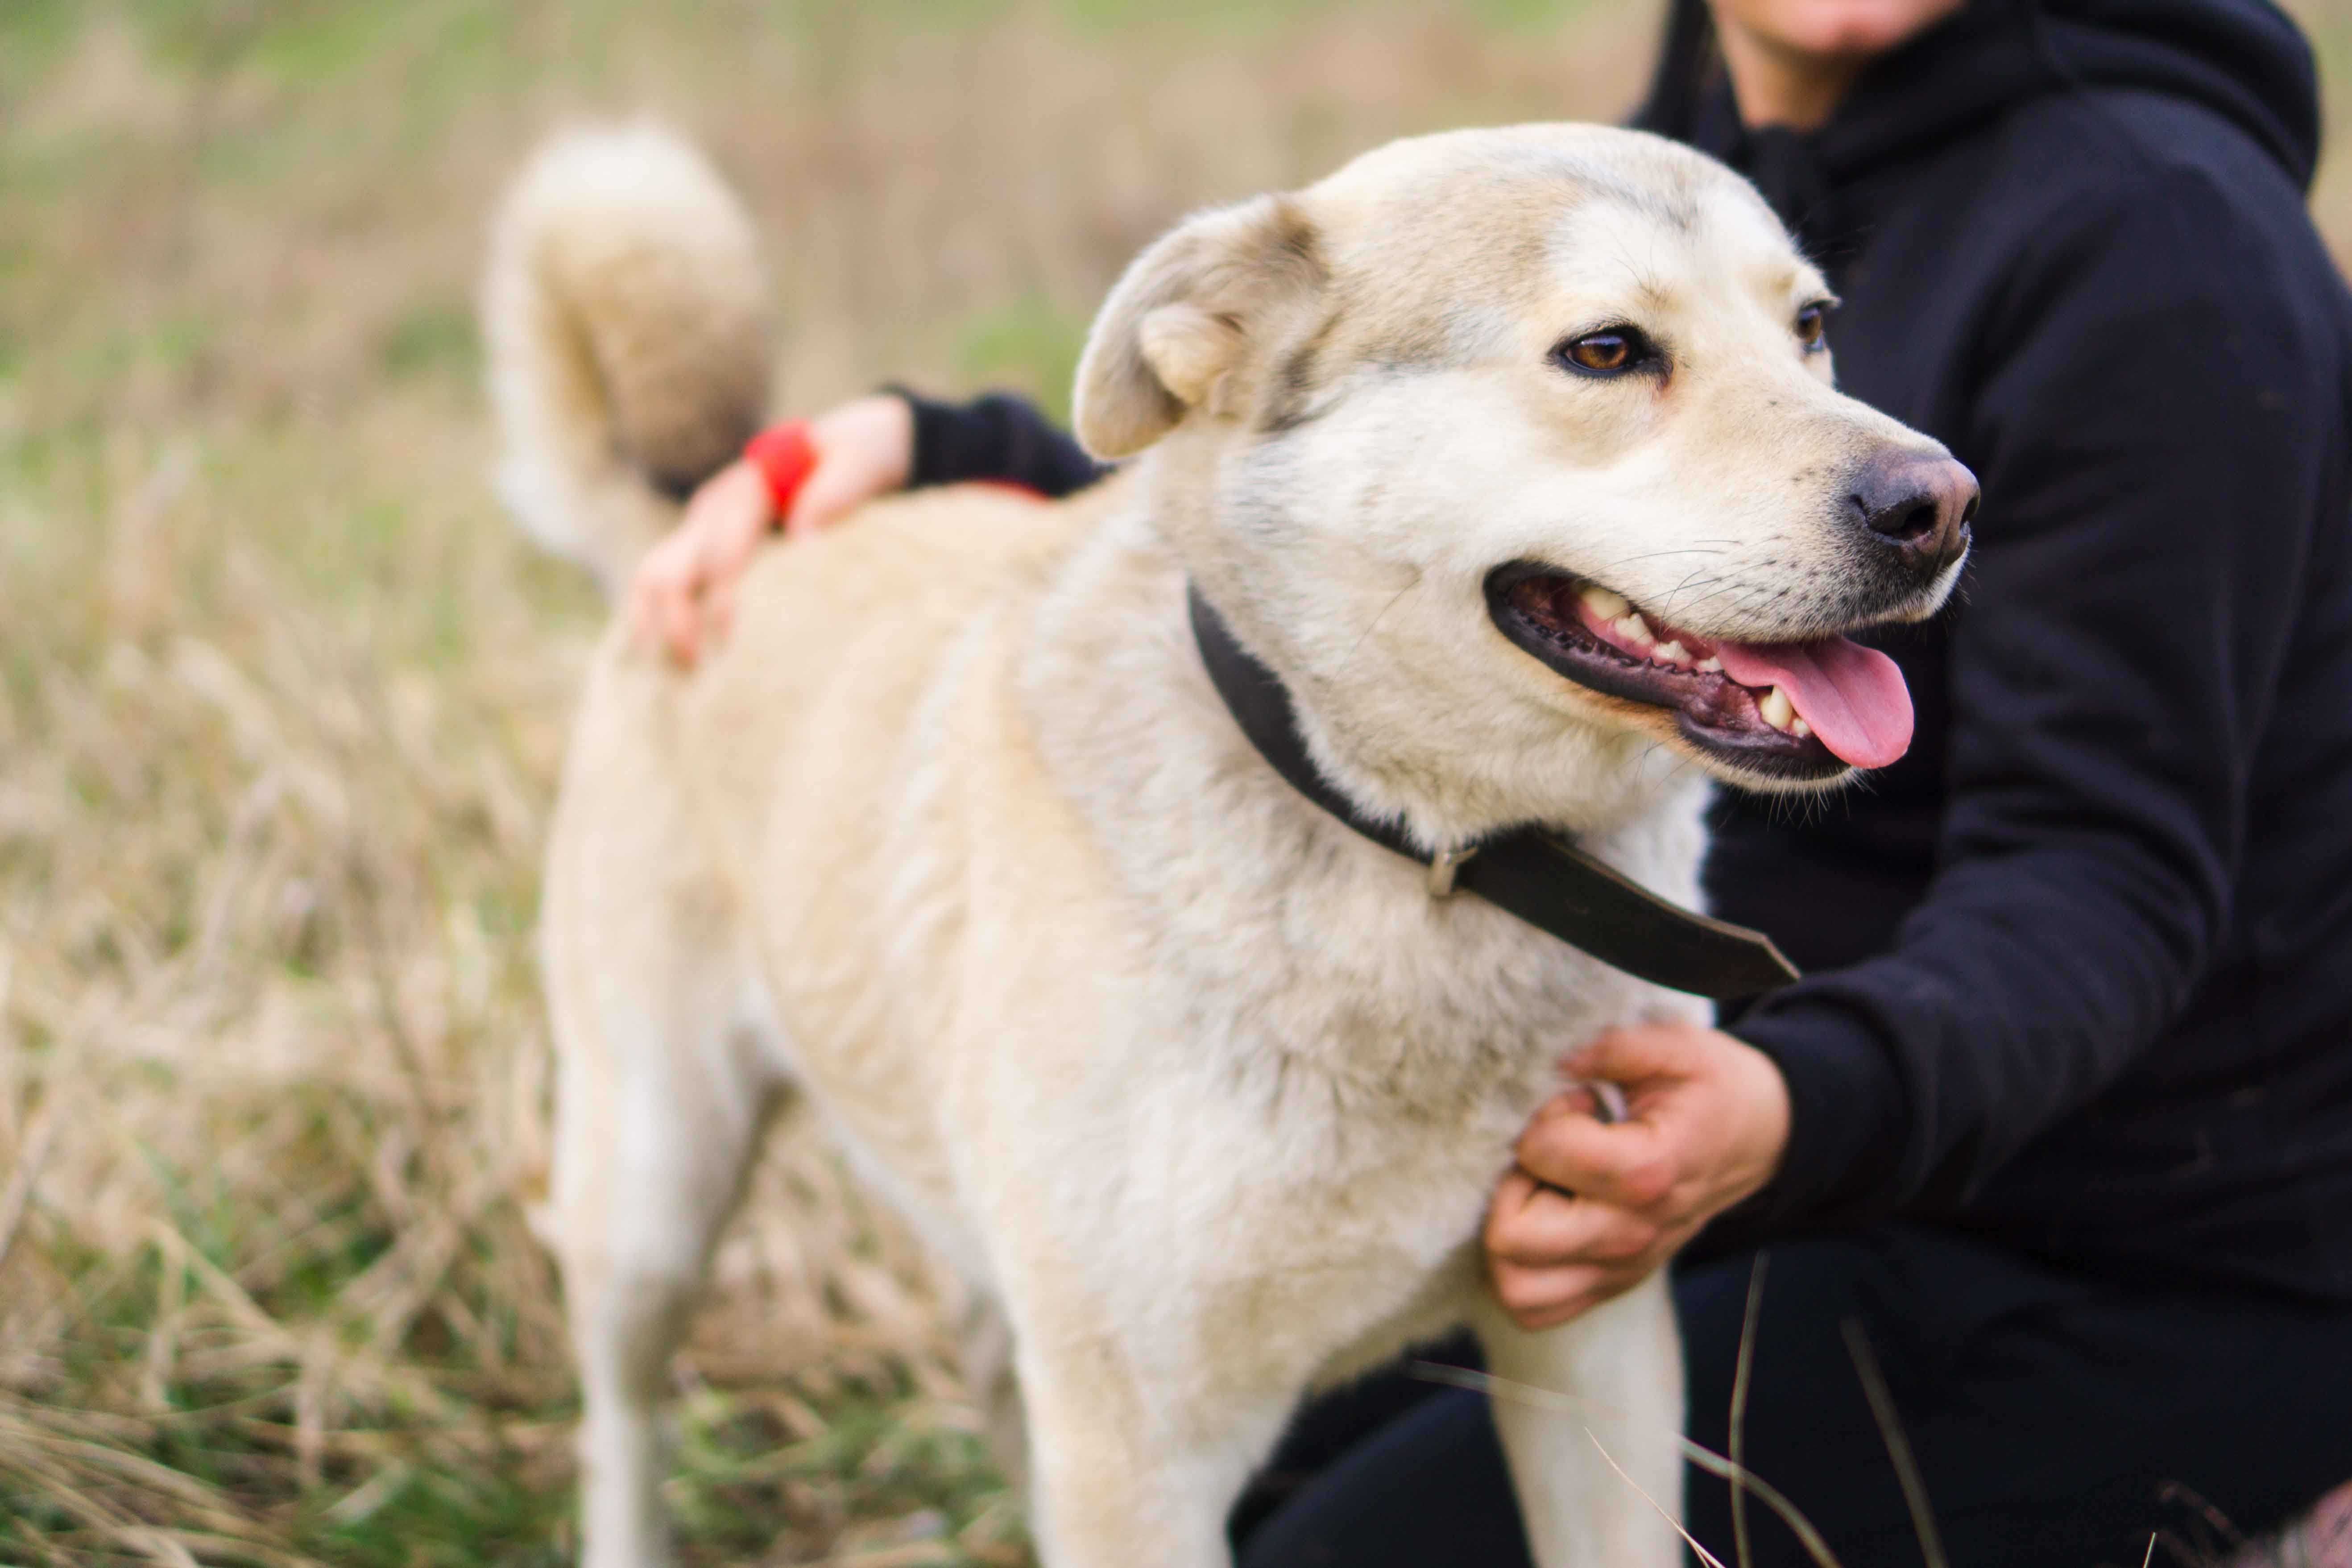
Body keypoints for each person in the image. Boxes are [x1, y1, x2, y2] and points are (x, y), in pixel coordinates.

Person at [630, 1, 2352, 1563]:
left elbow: (2107, 878)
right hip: (1806, 1125)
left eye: (1806, 331)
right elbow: (1351, 438)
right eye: (1617, 349)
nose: (1893, 472)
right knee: (1274, 1460)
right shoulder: (1714, 143)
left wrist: (1788, 1110)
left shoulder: (2164, 241)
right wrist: (949, 445)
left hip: (2122, 1246)